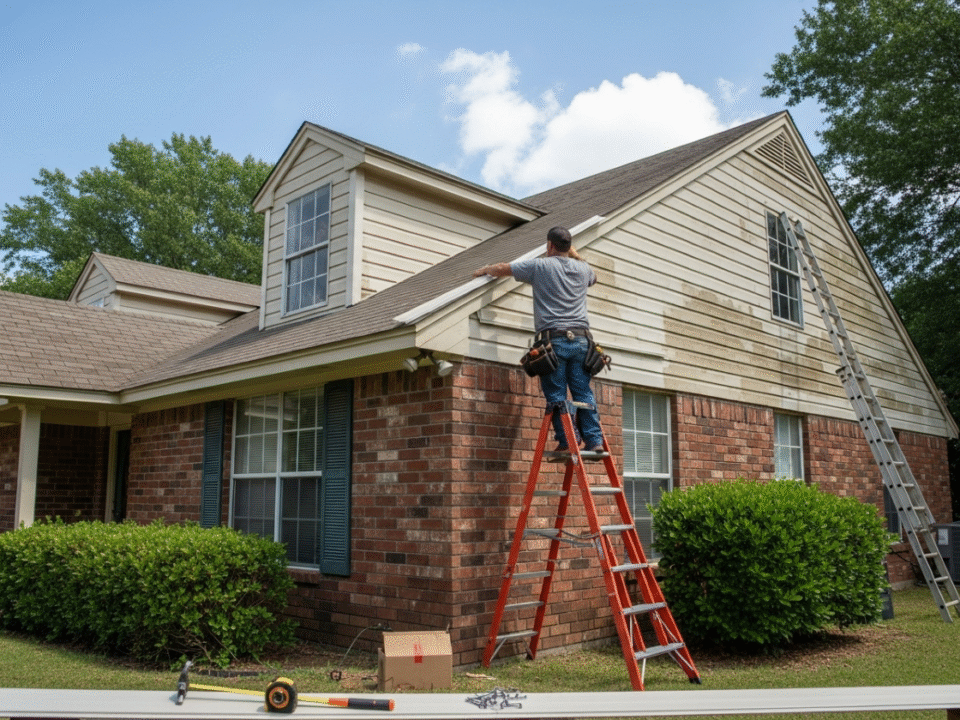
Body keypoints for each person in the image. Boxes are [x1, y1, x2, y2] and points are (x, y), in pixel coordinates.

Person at [473, 226, 605, 454]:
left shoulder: (540, 266)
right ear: (568, 247)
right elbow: (595, 277)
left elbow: (503, 269)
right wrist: (575, 255)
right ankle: (595, 441)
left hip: (554, 341)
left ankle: (568, 441)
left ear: (549, 245)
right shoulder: (584, 269)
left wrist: (484, 269)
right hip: (583, 342)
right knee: (583, 392)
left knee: (556, 395)